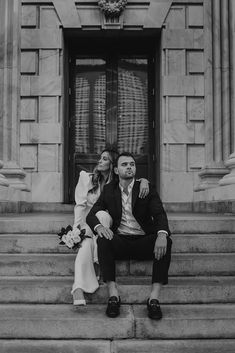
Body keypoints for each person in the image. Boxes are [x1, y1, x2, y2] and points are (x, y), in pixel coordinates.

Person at [86, 152, 172, 320]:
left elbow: (159, 214)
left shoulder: (145, 187)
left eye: (132, 164)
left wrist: (162, 234)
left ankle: (153, 298)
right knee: (103, 238)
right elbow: (91, 215)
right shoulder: (109, 190)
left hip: (143, 240)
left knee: (166, 240)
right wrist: (98, 227)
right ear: (116, 170)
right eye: (124, 164)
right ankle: (113, 295)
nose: (129, 167)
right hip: (121, 241)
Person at [71, 149, 150, 306]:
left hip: (110, 225)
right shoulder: (86, 178)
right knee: (86, 242)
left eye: (105, 159)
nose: (99, 161)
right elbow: (80, 206)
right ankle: (78, 287)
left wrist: (145, 181)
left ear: (112, 165)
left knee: (103, 216)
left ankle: (97, 262)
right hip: (90, 223)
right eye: (100, 158)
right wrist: (75, 229)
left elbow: (133, 181)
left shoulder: (116, 183)